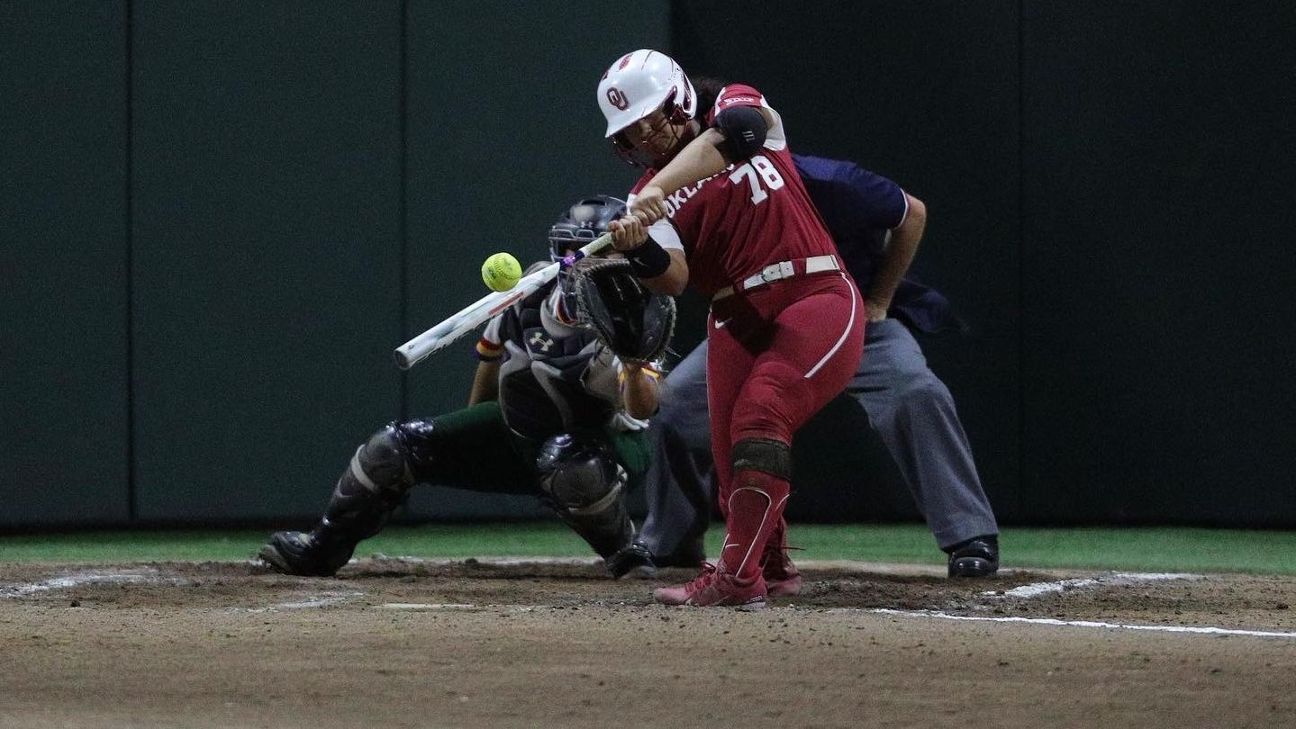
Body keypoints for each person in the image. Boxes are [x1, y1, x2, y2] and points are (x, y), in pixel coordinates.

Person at [258, 196, 666, 579]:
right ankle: (324, 548)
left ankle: (626, 553)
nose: (586, 266)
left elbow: (643, 408)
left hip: (605, 443)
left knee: (569, 464)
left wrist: (631, 361)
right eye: (579, 254)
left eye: (603, 254)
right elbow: (490, 359)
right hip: (520, 430)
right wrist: (473, 431)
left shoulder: (639, 313)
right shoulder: (531, 294)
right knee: (392, 447)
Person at [636, 150, 1000, 579]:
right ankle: (670, 541)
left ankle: (969, 533)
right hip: (758, 327)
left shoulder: (826, 180)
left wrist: (879, 300)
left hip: (848, 318)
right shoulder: (707, 196)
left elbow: (911, 213)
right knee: (677, 404)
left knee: (917, 392)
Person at [596, 49, 866, 609]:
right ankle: (773, 564)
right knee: (729, 456)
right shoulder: (644, 195)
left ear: (681, 99)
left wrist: (657, 191)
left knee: (762, 413)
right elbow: (672, 279)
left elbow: (741, 132)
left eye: (652, 119)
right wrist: (638, 244)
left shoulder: (734, 104)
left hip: (813, 292)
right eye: (632, 132)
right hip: (734, 318)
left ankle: (736, 579)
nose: (646, 137)